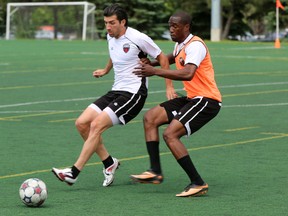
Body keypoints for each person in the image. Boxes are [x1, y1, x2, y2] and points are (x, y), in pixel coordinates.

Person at [52, 4, 169, 187]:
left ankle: (73, 172)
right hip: (116, 90)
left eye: (112, 23)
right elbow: (114, 54)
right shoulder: (110, 36)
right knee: (82, 123)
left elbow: (162, 58)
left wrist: (168, 86)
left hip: (134, 93)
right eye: (105, 22)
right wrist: (106, 70)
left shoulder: (138, 37)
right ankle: (109, 163)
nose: (108, 27)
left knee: (97, 125)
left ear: (123, 22)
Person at [130, 11, 222, 197]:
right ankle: (155, 171)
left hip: (207, 100)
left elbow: (188, 73)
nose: (171, 29)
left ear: (186, 27)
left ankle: (198, 183)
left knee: (170, 134)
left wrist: (154, 72)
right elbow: (171, 58)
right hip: (192, 98)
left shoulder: (195, 45)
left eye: (175, 26)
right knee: (150, 118)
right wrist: (153, 64)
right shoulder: (181, 44)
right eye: (170, 25)